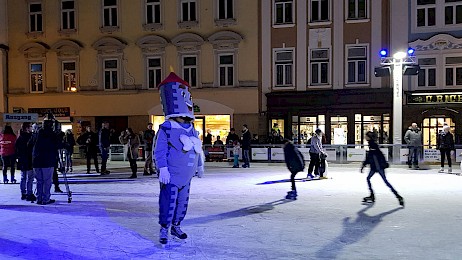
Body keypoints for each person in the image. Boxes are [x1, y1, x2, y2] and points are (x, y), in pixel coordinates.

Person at [154, 72, 204, 245]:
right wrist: (162, 168)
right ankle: (164, 228)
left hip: (186, 176)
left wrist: (199, 166)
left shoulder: (191, 128)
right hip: (172, 176)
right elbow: (159, 151)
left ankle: (176, 225)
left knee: (182, 203)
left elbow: (197, 149)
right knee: (168, 202)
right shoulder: (166, 128)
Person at [361, 131, 404, 207]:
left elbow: (375, 156)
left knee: (385, 182)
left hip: (378, 167)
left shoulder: (373, 145)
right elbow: (370, 157)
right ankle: (372, 195)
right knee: (369, 179)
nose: (365, 137)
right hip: (375, 167)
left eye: (366, 136)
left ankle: (398, 196)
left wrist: (364, 165)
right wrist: (363, 165)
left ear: (369, 137)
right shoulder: (371, 145)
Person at [30, 118, 59, 205]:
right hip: (48, 160)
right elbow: (58, 145)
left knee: (39, 180)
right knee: (47, 181)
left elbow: (29, 144)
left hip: (36, 161)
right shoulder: (52, 134)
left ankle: (39, 198)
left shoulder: (36, 134)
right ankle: (45, 198)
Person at [15, 122, 36, 201]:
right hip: (29, 159)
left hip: (22, 160)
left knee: (23, 177)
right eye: (30, 126)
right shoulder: (31, 137)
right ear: (27, 128)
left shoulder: (20, 137)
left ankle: (23, 193)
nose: (32, 128)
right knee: (30, 178)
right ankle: (29, 193)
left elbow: (16, 149)